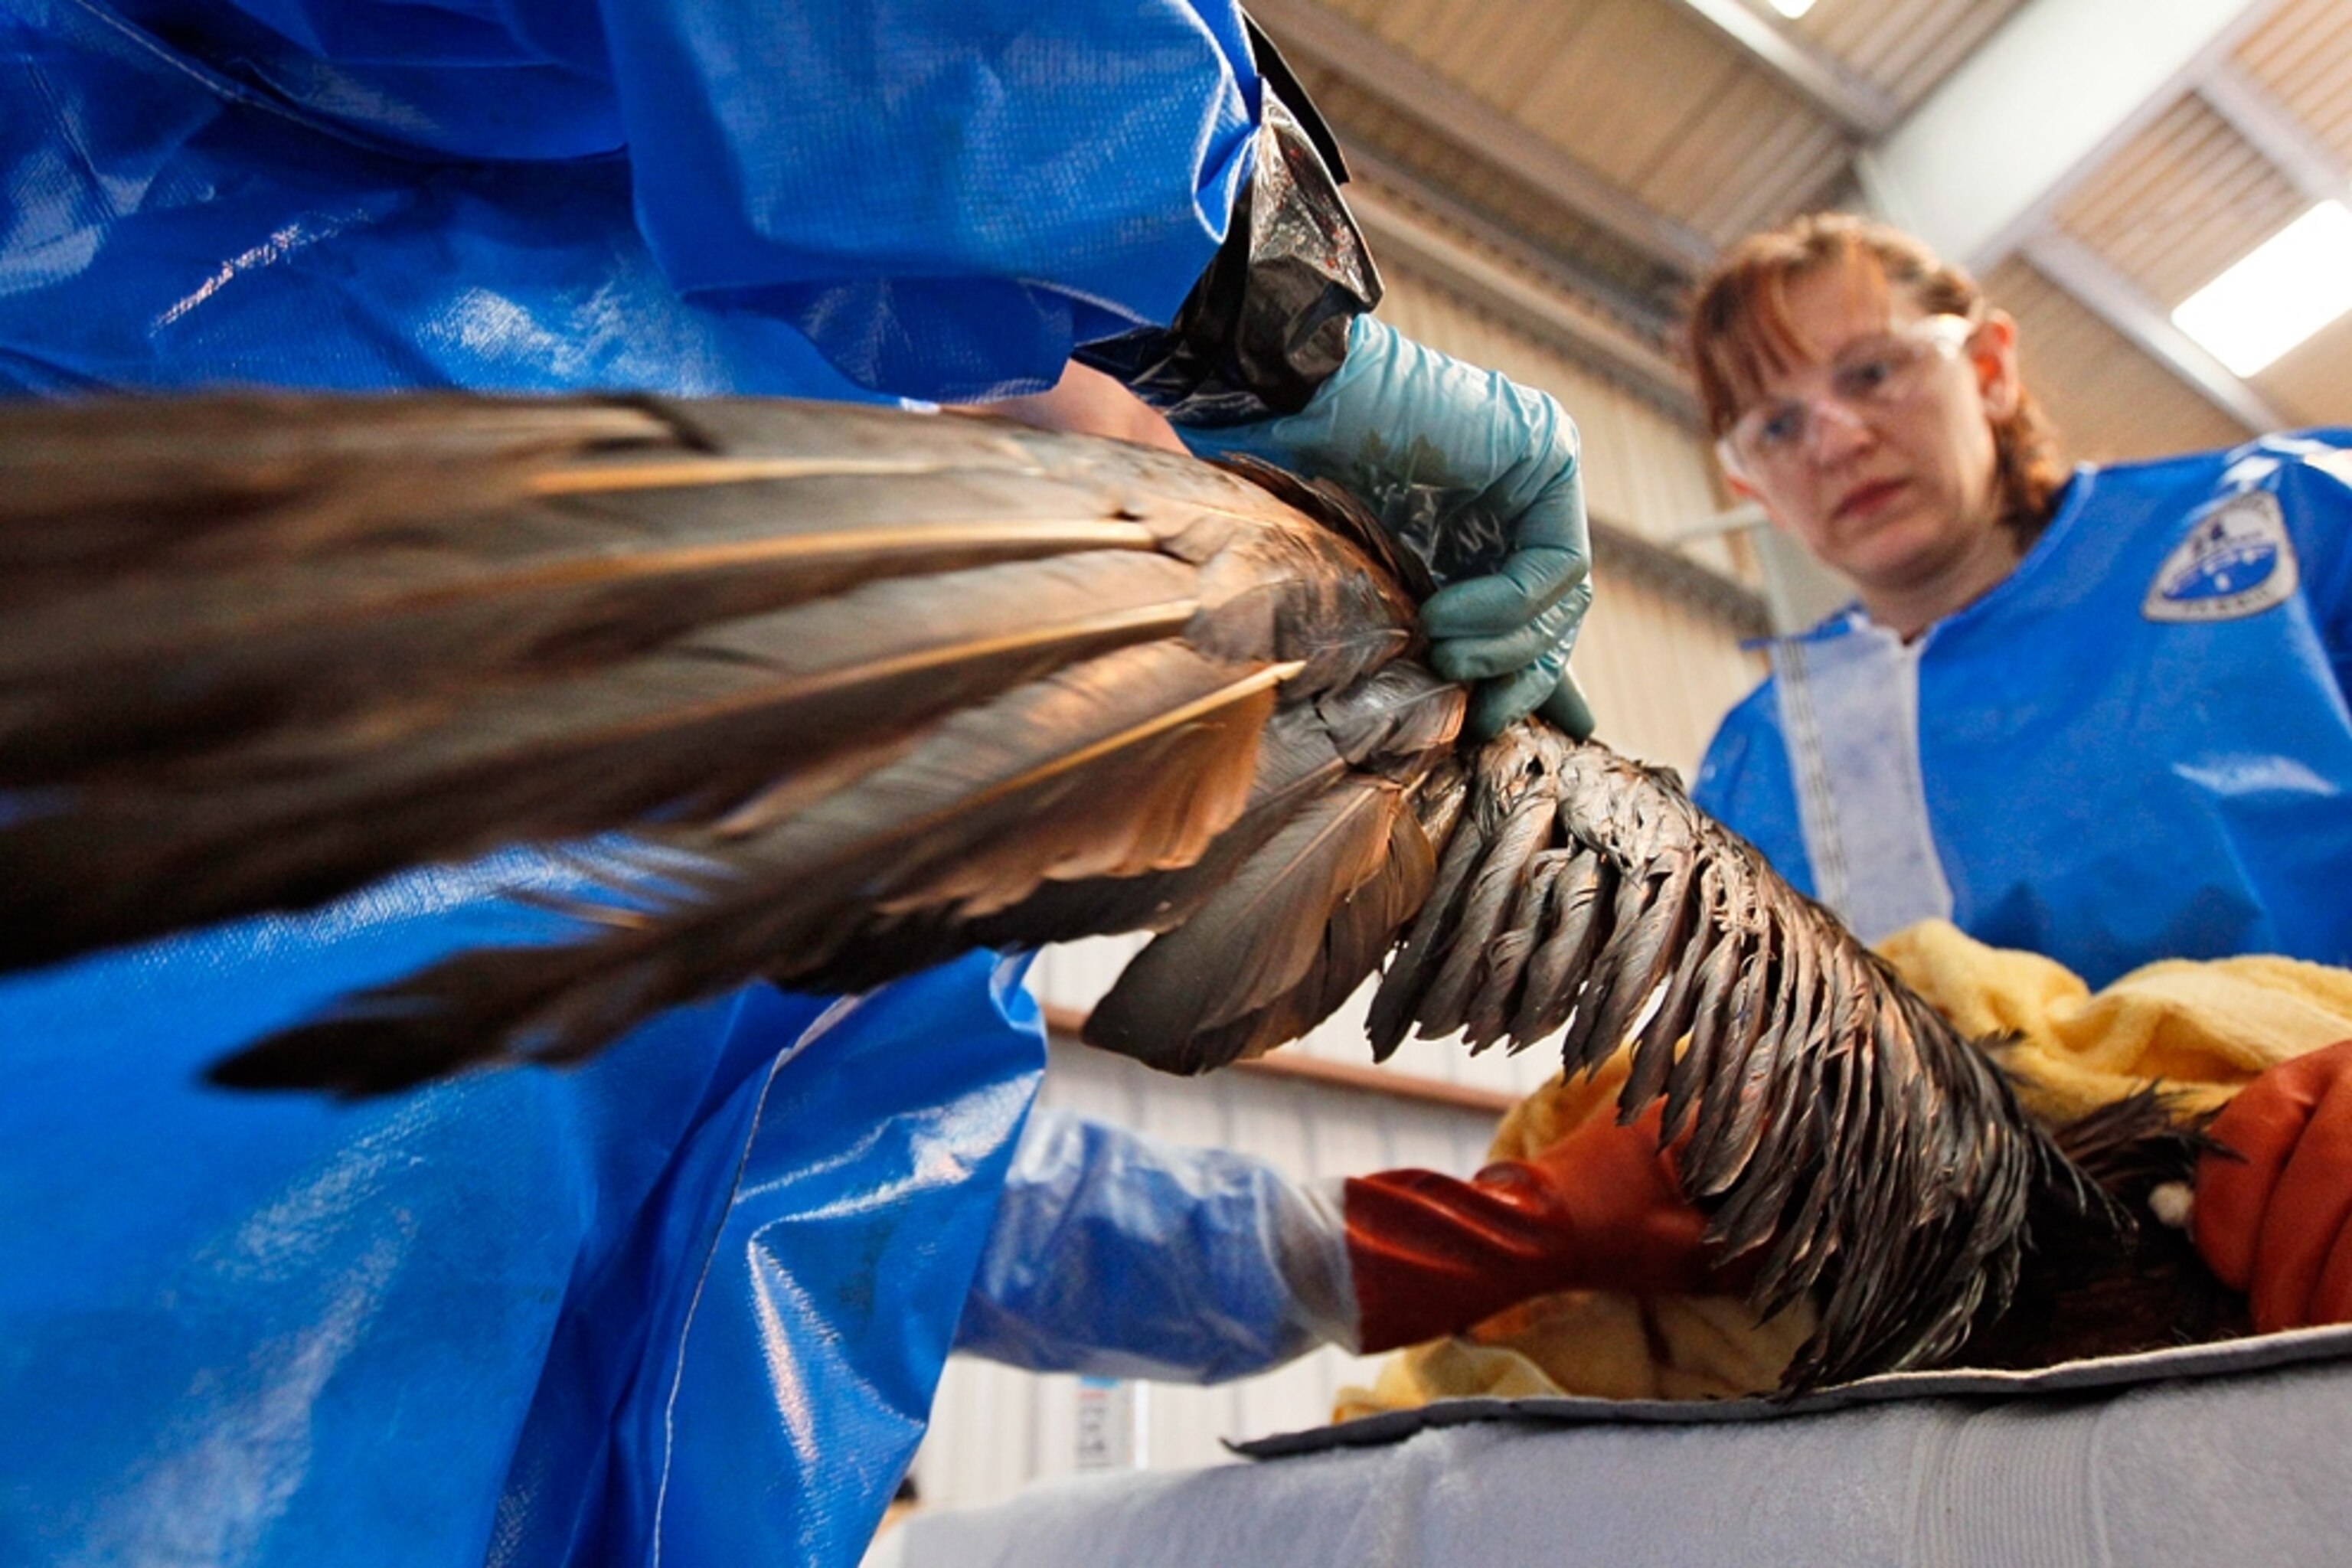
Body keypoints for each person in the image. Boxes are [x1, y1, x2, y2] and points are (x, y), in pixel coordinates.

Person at [0, 5, 1609, 1565]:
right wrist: (1218, 267)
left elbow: (877, 1193)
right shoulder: (377, 247)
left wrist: (1401, 1248)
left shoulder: (883, 659)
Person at [1681, 211, 2352, 1333]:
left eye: (1874, 371)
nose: (1836, 439)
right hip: (2016, 1319)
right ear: (1751, 485)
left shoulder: (2283, 518)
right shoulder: (1758, 763)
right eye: (1777, 424)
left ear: (1988, 366)